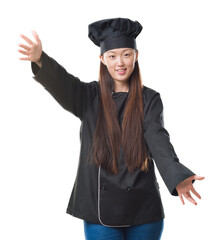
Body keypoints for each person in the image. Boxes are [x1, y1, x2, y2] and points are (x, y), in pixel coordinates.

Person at [18, 18, 205, 240]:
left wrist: (177, 176)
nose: (120, 62)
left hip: (145, 212)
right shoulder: (88, 97)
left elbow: (158, 139)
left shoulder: (150, 99)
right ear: (102, 59)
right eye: (113, 56)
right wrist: (40, 59)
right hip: (100, 216)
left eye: (126, 54)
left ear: (136, 56)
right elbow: (62, 83)